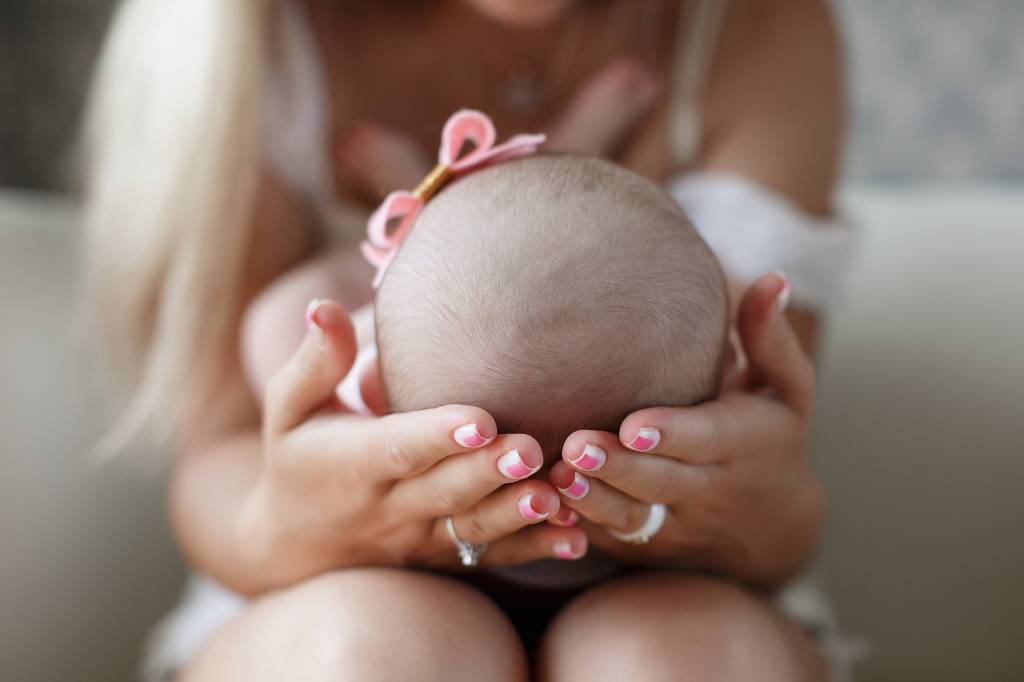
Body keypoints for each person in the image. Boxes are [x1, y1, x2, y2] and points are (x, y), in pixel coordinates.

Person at [82, 0, 855, 680]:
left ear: (376, 389)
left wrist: (363, 279)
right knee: (378, 650)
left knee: (675, 660)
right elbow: (221, 455)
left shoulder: (752, 22)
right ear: (723, 362)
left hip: (685, 586)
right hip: (320, 589)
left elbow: (278, 338)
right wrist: (282, 520)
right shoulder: (252, 39)